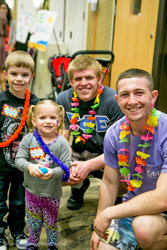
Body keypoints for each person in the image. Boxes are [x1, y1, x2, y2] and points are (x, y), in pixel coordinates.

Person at [90, 68, 167, 250]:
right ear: (118, 100)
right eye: (125, 95)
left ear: (153, 96)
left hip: (162, 211)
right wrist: (98, 223)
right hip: (134, 207)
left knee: (144, 229)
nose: (132, 101)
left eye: (139, 93)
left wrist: (109, 213)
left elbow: (163, 199)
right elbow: (109, 184)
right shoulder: (114, 133)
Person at [56, 54, 124, 210]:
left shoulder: (113, 100)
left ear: (99, 79)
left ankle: (116, 197)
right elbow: (62, 139)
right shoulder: (63, 99)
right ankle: (78, 188)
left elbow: (119, 147)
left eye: (89, 78)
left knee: (125, 174)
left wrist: (88, 166)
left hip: (107, 153)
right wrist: (67, 164)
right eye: (78, 79)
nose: (84, 83)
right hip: (78, 151)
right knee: (50, 167)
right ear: (71, 81)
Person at [15, 100, 71, 250]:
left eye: (53, 118)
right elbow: (18, 159)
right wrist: (30, 166)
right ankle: (33, 243)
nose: (48, 121)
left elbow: (67, 166)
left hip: (52, 192)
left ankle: (52, 244)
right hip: (32, 190)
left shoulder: (62, 143)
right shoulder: (28, 139)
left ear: (59, 121)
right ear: (34, 121)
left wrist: (53, 173)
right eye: (43, 118)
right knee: (33, 221)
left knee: (51, 221)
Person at [0, 50, 39, 250]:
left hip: (24, 166)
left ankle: (17, 231)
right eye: (14, 73)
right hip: (0, 163)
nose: (19, 79)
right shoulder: (1, 100)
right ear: (6, 74)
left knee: (19, 201)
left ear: (31, 76)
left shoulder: (35, 103)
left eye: (24, 75)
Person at [0, 9, 8, 91]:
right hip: (1, 42)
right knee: (1, 70)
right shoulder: (2, 14)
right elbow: (6, 33)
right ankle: (3, 93)